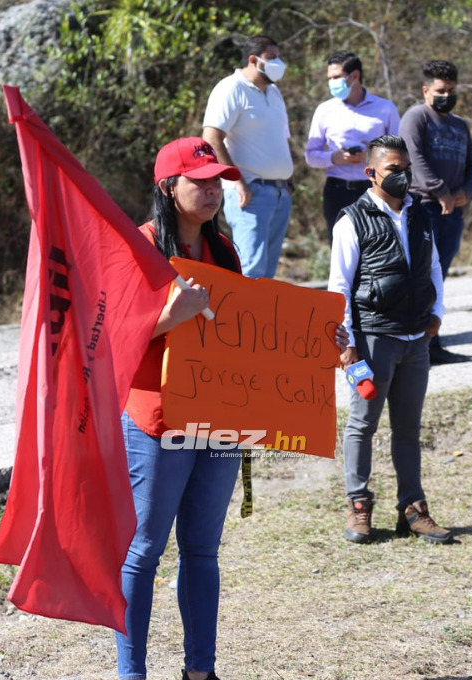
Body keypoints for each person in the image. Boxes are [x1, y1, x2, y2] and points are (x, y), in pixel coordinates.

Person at [118, 137, 349, 680]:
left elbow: (251, 337)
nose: (211, 190)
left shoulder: (225, 251)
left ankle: (201, 672)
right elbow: (113, 340)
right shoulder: (140, 245)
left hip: (218, 421)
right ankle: (132, 674)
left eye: (216, 180)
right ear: (167, 187)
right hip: (157, 423)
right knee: (145, 552)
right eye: (198, 181)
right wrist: (176, 316)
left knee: (201, 550)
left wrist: (322, 342)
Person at [328, 134, 453, 545]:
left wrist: (437, 316)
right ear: (371, 173)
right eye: (392, 170)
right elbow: (339, 286)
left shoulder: (420, 214)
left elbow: (433, 265)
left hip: (416, 339)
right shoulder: (352, 220)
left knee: (408, 429)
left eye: (406, 169)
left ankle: (413, 510)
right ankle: (358, 504)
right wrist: (345, 344)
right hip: (371, 340)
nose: (402, 176)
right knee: (361, 426)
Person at [398, 59, 472, 365]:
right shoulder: (416, 117)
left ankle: (432, 343)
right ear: (426, 90)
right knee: (421, 276)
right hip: (424, 207)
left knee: (438, 279)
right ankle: (415, 346)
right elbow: (413, 158)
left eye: (452, 89)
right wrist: (441, 192)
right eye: (441, 90)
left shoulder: (460, 125)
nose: (447, 95)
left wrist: (464, 193)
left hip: (452, 213)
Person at [202, 35, 294, 280]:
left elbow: (279, 140)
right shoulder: (231, 88)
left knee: (267, 277)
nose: (279, 62)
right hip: (250, 193)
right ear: (253, 60)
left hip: (278, 193)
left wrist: (286, 181)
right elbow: (211, 138)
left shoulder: (274, 92)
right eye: (272, 57)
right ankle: (238, 319)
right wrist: (238, 182)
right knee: (250, 272)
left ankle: (262, 320)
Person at [304, 50, 401, 240]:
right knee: (342, 252)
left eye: (336, 77)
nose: (332, 82)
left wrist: (373, 157)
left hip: (375, 190)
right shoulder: (324, 110)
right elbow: (310, 155)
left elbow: (400, 153)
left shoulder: (385, 108)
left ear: (355, 76)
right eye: (329, 78)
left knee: (377, 251)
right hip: (337, 192)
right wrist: (333, 157)